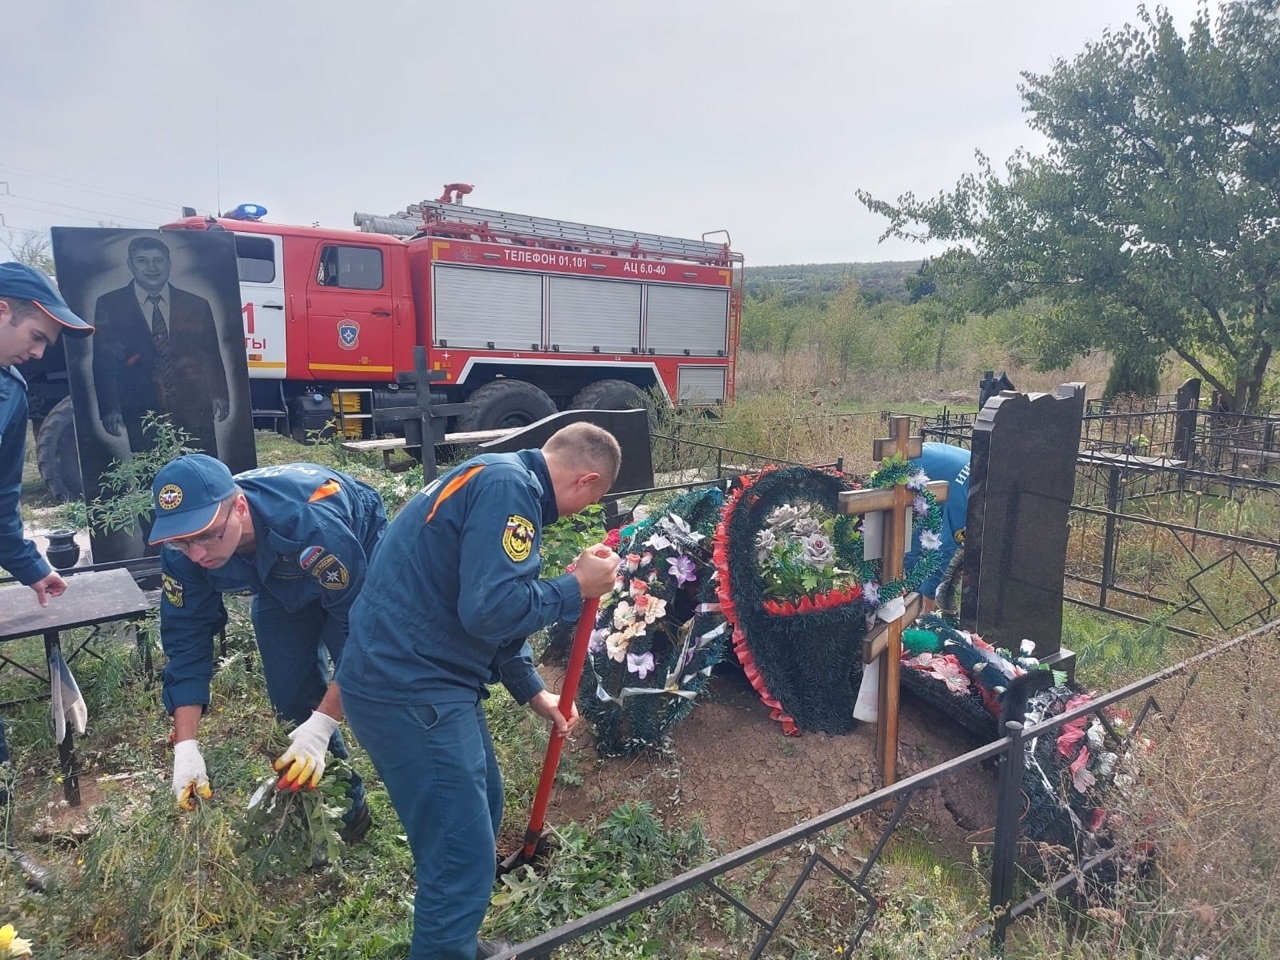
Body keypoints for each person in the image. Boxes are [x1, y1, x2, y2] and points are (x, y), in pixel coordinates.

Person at [336, 422, 623, 960]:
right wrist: (574, 588)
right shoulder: (510, 492)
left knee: (484, 800)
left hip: (418, 674)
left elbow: (480, 602)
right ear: (587, 482)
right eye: (594, 500)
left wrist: (532, 689)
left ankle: (456, 941)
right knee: (460, 855)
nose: (584, 510)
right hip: (411, 687)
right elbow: (489, 608)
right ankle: (447, 948)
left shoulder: (499, 475)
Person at [148, 454, 387, 841]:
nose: (197, 554)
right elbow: (186, 640)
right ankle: (341, 812)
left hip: (353, 553)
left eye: (207, 535)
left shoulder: (313, 523)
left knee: (375, 691)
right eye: (181, 541)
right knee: (291, 695)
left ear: (239, 507)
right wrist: (186, 747)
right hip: (279, 578)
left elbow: (365, 636)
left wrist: (325, 722)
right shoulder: (185, 552)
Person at [0, 261, 95, 890]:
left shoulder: (12, 394)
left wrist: (33, 570)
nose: (37, 356)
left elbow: (2, 505)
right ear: (2, 310)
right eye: (36, 337)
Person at [92, 236, 229, 456]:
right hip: (140, 408)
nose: (152, 268)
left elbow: (210, 353)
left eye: (158, 260)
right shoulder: (110, 305)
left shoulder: (197, 304)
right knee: (151, 475)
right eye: (142, 261)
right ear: (130, 265)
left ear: (169, 263)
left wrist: (219, 393)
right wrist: (110, 408)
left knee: (203, 470)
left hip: (194, 404)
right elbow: (104, 360)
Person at [911, 441, 970, 613]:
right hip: (908, 475)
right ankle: (916, 609)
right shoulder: (963, 503)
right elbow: (945, 548)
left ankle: (921, 601)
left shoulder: (983, 472)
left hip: (925, 457)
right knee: (913, 547)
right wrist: (928, 595)